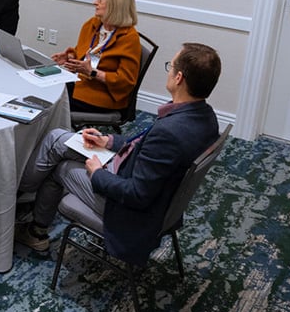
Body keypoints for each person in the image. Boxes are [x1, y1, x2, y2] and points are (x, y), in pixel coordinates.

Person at [16, 43, 222, 266]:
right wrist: (108, 141)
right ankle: (21, 195)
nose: (169, 71)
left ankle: (33, 227)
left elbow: (136, 194)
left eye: (170, 66)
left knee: (60, 167)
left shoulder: (170, 133)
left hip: (127, 211)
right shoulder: (205, 118)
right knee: (57, 138)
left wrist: (96, 174)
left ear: (179, 77)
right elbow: (147, 147)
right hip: (138, 178)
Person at [52, 0, 141, 114]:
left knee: (52, 104)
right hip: (81, 83)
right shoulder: (93, 25)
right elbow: (85, 55)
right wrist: (70, 57)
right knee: (46, 90)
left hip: (103, 96)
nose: (95, 2)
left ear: (115, 5)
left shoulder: (129, 38)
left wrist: (92, 72)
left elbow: (126, 82)